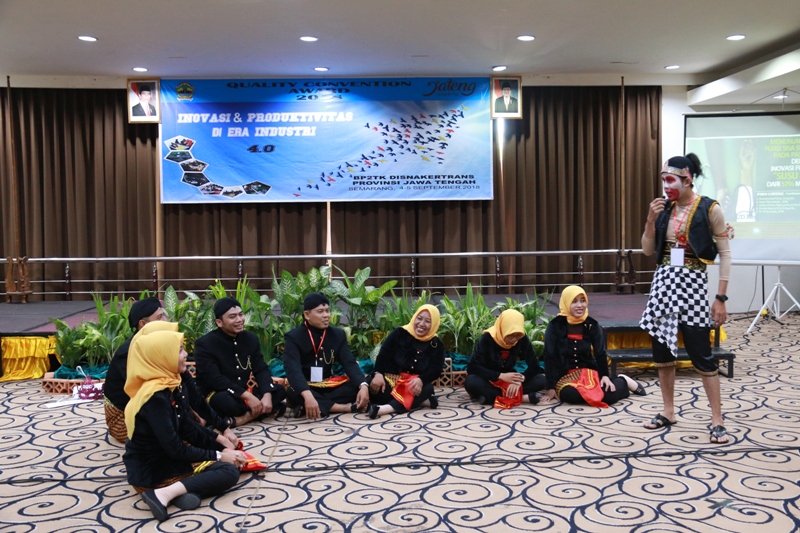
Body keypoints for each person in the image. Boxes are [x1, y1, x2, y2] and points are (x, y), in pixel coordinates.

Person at [640, 153, 731, 444]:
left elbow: (725, 254)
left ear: (687, 179)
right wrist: (650, 221)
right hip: (663, 285)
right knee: (663, 352)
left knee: (701, 353)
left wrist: (720, 297)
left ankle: (716, 418)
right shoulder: (662, 208)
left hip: (692, 286)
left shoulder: (709, 208)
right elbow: (647, 251)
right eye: (663, 180)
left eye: (671, 180)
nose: (666, 186)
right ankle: (668, 411)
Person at [123, 327, 244, 522]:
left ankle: (181, 492)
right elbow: (176, 449)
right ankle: (163, 494)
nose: (186, 354)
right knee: (228, 472)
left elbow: (187, 426)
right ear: (162, 357)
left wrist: (219, 443)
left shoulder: (169, 383)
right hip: (153, 473)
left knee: (227, 461)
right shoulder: (154, 398)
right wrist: (220, 455)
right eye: (179, 350)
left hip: (167, 460)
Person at [104, 298, 238, 448]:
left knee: (195, 418)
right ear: (143, 324)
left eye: (164, 315)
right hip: (125, 416)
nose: (166, 320)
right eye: (160, 317)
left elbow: (191, 392)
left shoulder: (163, 347)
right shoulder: (130, 353)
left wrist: (224, 428)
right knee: (184, 436)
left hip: (160, 407)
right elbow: (152, 401)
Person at [539, 286, 646, 406]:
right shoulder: (555, 325)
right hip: (565, 377)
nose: (580, 305)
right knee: (569, 395)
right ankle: (617, 383)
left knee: (609, 396)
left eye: (582, 301)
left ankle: (623, 380)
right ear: (566, 302)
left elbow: (600, 353)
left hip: (588, 373)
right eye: (574, 302)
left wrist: (604, 376)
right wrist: (550, 387)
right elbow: (549, 356)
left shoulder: (592, 324)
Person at [194, 297, 287, 426]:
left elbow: (261, 369)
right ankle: (253, 414)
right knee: (225, 402)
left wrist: (267, 394)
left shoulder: (250, 339)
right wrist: (247, 397)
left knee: (279, 391)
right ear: (219, 322)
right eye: (232, 317)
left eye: (240, 314)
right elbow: (215, 380)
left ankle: (240, 418)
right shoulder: (205, 344)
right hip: (219, 393)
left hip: (243, 394)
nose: (239, 320)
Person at [282, 292, 369, 420]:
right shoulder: (294, 337)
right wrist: (307, 395)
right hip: (306, 387)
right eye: (320, 311)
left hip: (328, 385)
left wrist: (363, 385)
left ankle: (309, 405)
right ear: (307, 315)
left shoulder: (337, 335)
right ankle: (344, 408)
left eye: (327, 311)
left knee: (361, 385)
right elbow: (293, 369)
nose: (326, 315)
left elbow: (349, 363)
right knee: (293, 391)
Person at [368, 304, 445, 419]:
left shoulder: (436, 345)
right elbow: (384, 354)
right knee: (371, 385)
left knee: (427, 388)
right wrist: (378, 373)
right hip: (391, 380)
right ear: (414, 318)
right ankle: (420, 402)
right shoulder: (400, 333)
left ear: (434, 324)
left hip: (412, 385)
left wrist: (421, 380)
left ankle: (383, 409)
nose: (421, 324)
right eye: (419, 318)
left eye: (428, 321)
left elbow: (436, 369)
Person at [465, 309, 547, 407]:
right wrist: (500, 376)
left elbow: (534, 366)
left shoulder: (522, 338)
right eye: (510, 335)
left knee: (541, 380)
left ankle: (490, 397)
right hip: (490, 379)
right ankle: (523, 398)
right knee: (471, 382)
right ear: (503, 329)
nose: (514, 339)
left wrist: (520, 379)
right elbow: (472, 367)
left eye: (517, 336)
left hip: (511, 380)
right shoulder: (487, 338)